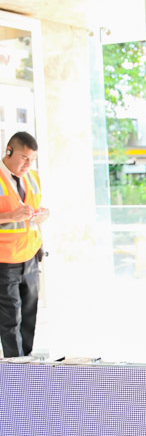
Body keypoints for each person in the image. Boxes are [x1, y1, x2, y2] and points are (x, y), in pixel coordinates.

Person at [0, 131, 50, 357]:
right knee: (11, 320)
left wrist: (44, 214)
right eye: (24, 158)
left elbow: (34, 209)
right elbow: (14, 215)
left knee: (29, 316)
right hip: (5, 261)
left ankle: (26, 364)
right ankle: (16, 369)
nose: (28, 164)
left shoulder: (33, 177)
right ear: (9, 151)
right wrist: (12, 216)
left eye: (32, 159)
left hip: (30, 257)